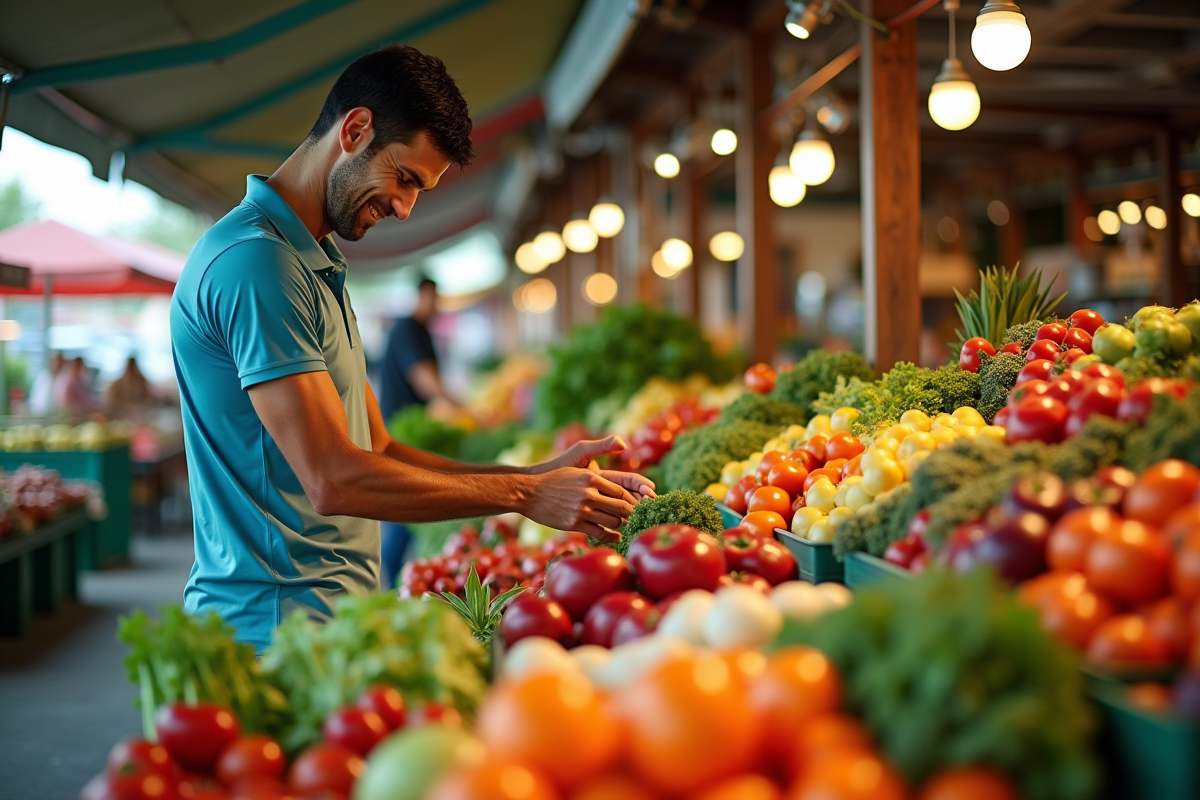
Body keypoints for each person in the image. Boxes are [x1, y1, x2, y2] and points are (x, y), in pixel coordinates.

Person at [170, 45, 654, 651]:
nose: (404, 208)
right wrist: (525, 494)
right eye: (404, 179)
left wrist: (533, 476)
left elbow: (379, 447)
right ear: (354, 130)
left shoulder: (312, 261)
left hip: (324, 617)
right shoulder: (257, 265)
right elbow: (332, 479)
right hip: (271, 627)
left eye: (420, 190)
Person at [376, 276, 456, 587]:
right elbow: (424, 378)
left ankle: (395, 580)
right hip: (400, 434)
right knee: (404, 509)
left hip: (406, 430)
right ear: (423, 294)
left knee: (407, 509)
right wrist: (459, 406)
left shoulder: (418, 329)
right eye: (434, 298)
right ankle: (392, 582)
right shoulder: (408, 329)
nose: (437, 306)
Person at [29, 351, 63, 416]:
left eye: (59, 361)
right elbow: (36, 397)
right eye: (55, 361)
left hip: (56, 415)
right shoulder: (43, 376)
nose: (57, 364)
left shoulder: (63, 378)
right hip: (41, 414)